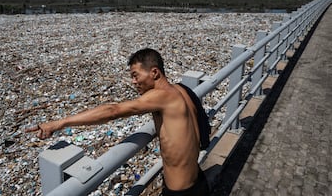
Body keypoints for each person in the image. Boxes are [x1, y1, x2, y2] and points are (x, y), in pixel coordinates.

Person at [26, 48, 210, 195]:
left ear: (154, 73)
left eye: (136, 75)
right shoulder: (181, 90)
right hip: (198, 180)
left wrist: (59, 123)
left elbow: (113, 110)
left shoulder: (163, 96)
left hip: (181, 191)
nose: (133, 81)